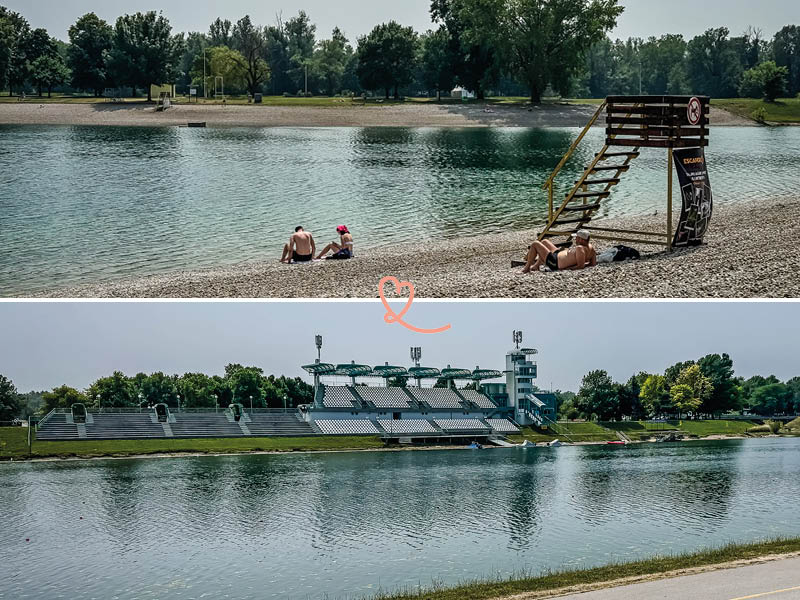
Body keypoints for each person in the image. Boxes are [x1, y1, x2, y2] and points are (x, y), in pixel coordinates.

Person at [522, 229, 597, 274]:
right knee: (545, 241)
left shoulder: (580, 248)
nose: (575, 239)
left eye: (576, 238)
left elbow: (580, 266)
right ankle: (536, 266)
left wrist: (566, 269)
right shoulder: (591, 248)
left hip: (555, 263)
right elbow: (592, 264)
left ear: (581, 239)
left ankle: (527, 269)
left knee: (535, 244)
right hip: (557, 255)